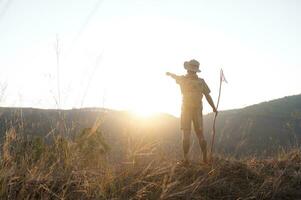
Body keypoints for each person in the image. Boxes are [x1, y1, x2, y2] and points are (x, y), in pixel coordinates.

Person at [166, 59, 217, 164]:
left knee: (186, 134)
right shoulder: (201, 82)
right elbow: (208, 96)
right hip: (198, 109)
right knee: (200, 134)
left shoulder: (183, 80)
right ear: (196, 70)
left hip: (186, 109)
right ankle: (205, 158)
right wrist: (213, 108)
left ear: (188, 69)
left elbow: (175, 76)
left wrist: (170, 74)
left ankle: (186, 159)